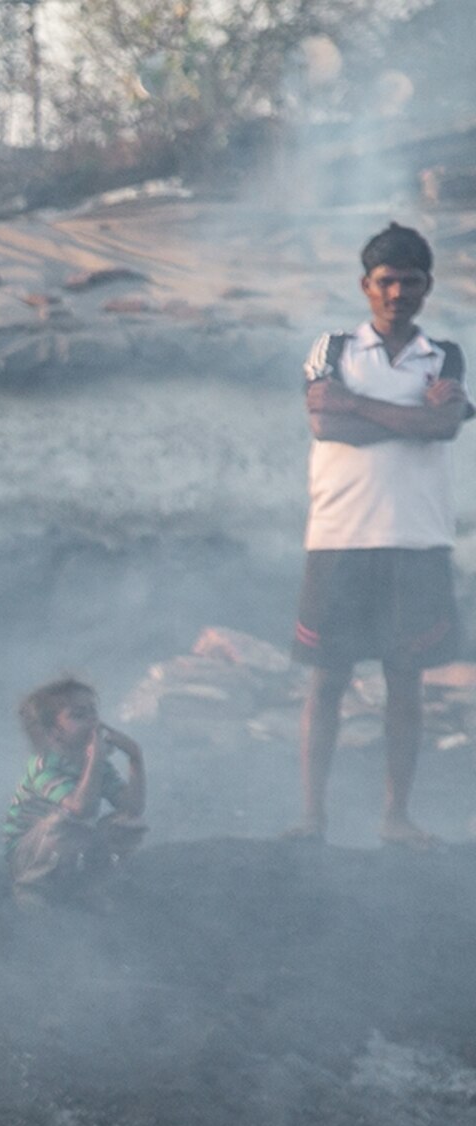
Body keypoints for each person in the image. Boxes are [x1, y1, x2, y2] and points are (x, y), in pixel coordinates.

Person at [293, 221, 471, 848]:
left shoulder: (445, 355)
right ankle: (313, 818)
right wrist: (413, 417)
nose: (398, 292)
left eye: (410, 281)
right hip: (339, 536)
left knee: (406, 677)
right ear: (365, 286)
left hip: (417, 539)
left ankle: (395, 816)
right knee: (328, 677)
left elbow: (445, 428)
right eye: (386, 281)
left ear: (427, 287)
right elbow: (324, 425)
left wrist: (360, 406)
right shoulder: (332, 347)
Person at [5, 677, 146, 905]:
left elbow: (132, 807)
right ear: (53, 733)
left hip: (67, 847)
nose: (93, 722)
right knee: (66, 821)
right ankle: (31, 888)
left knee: (127, 824)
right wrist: (95, 760)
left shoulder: (96, 764)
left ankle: (88, 887)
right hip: (27, 855)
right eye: (79, 715)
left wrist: (135, 758)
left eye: (93, 713)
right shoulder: (44, 765)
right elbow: (80, 808)